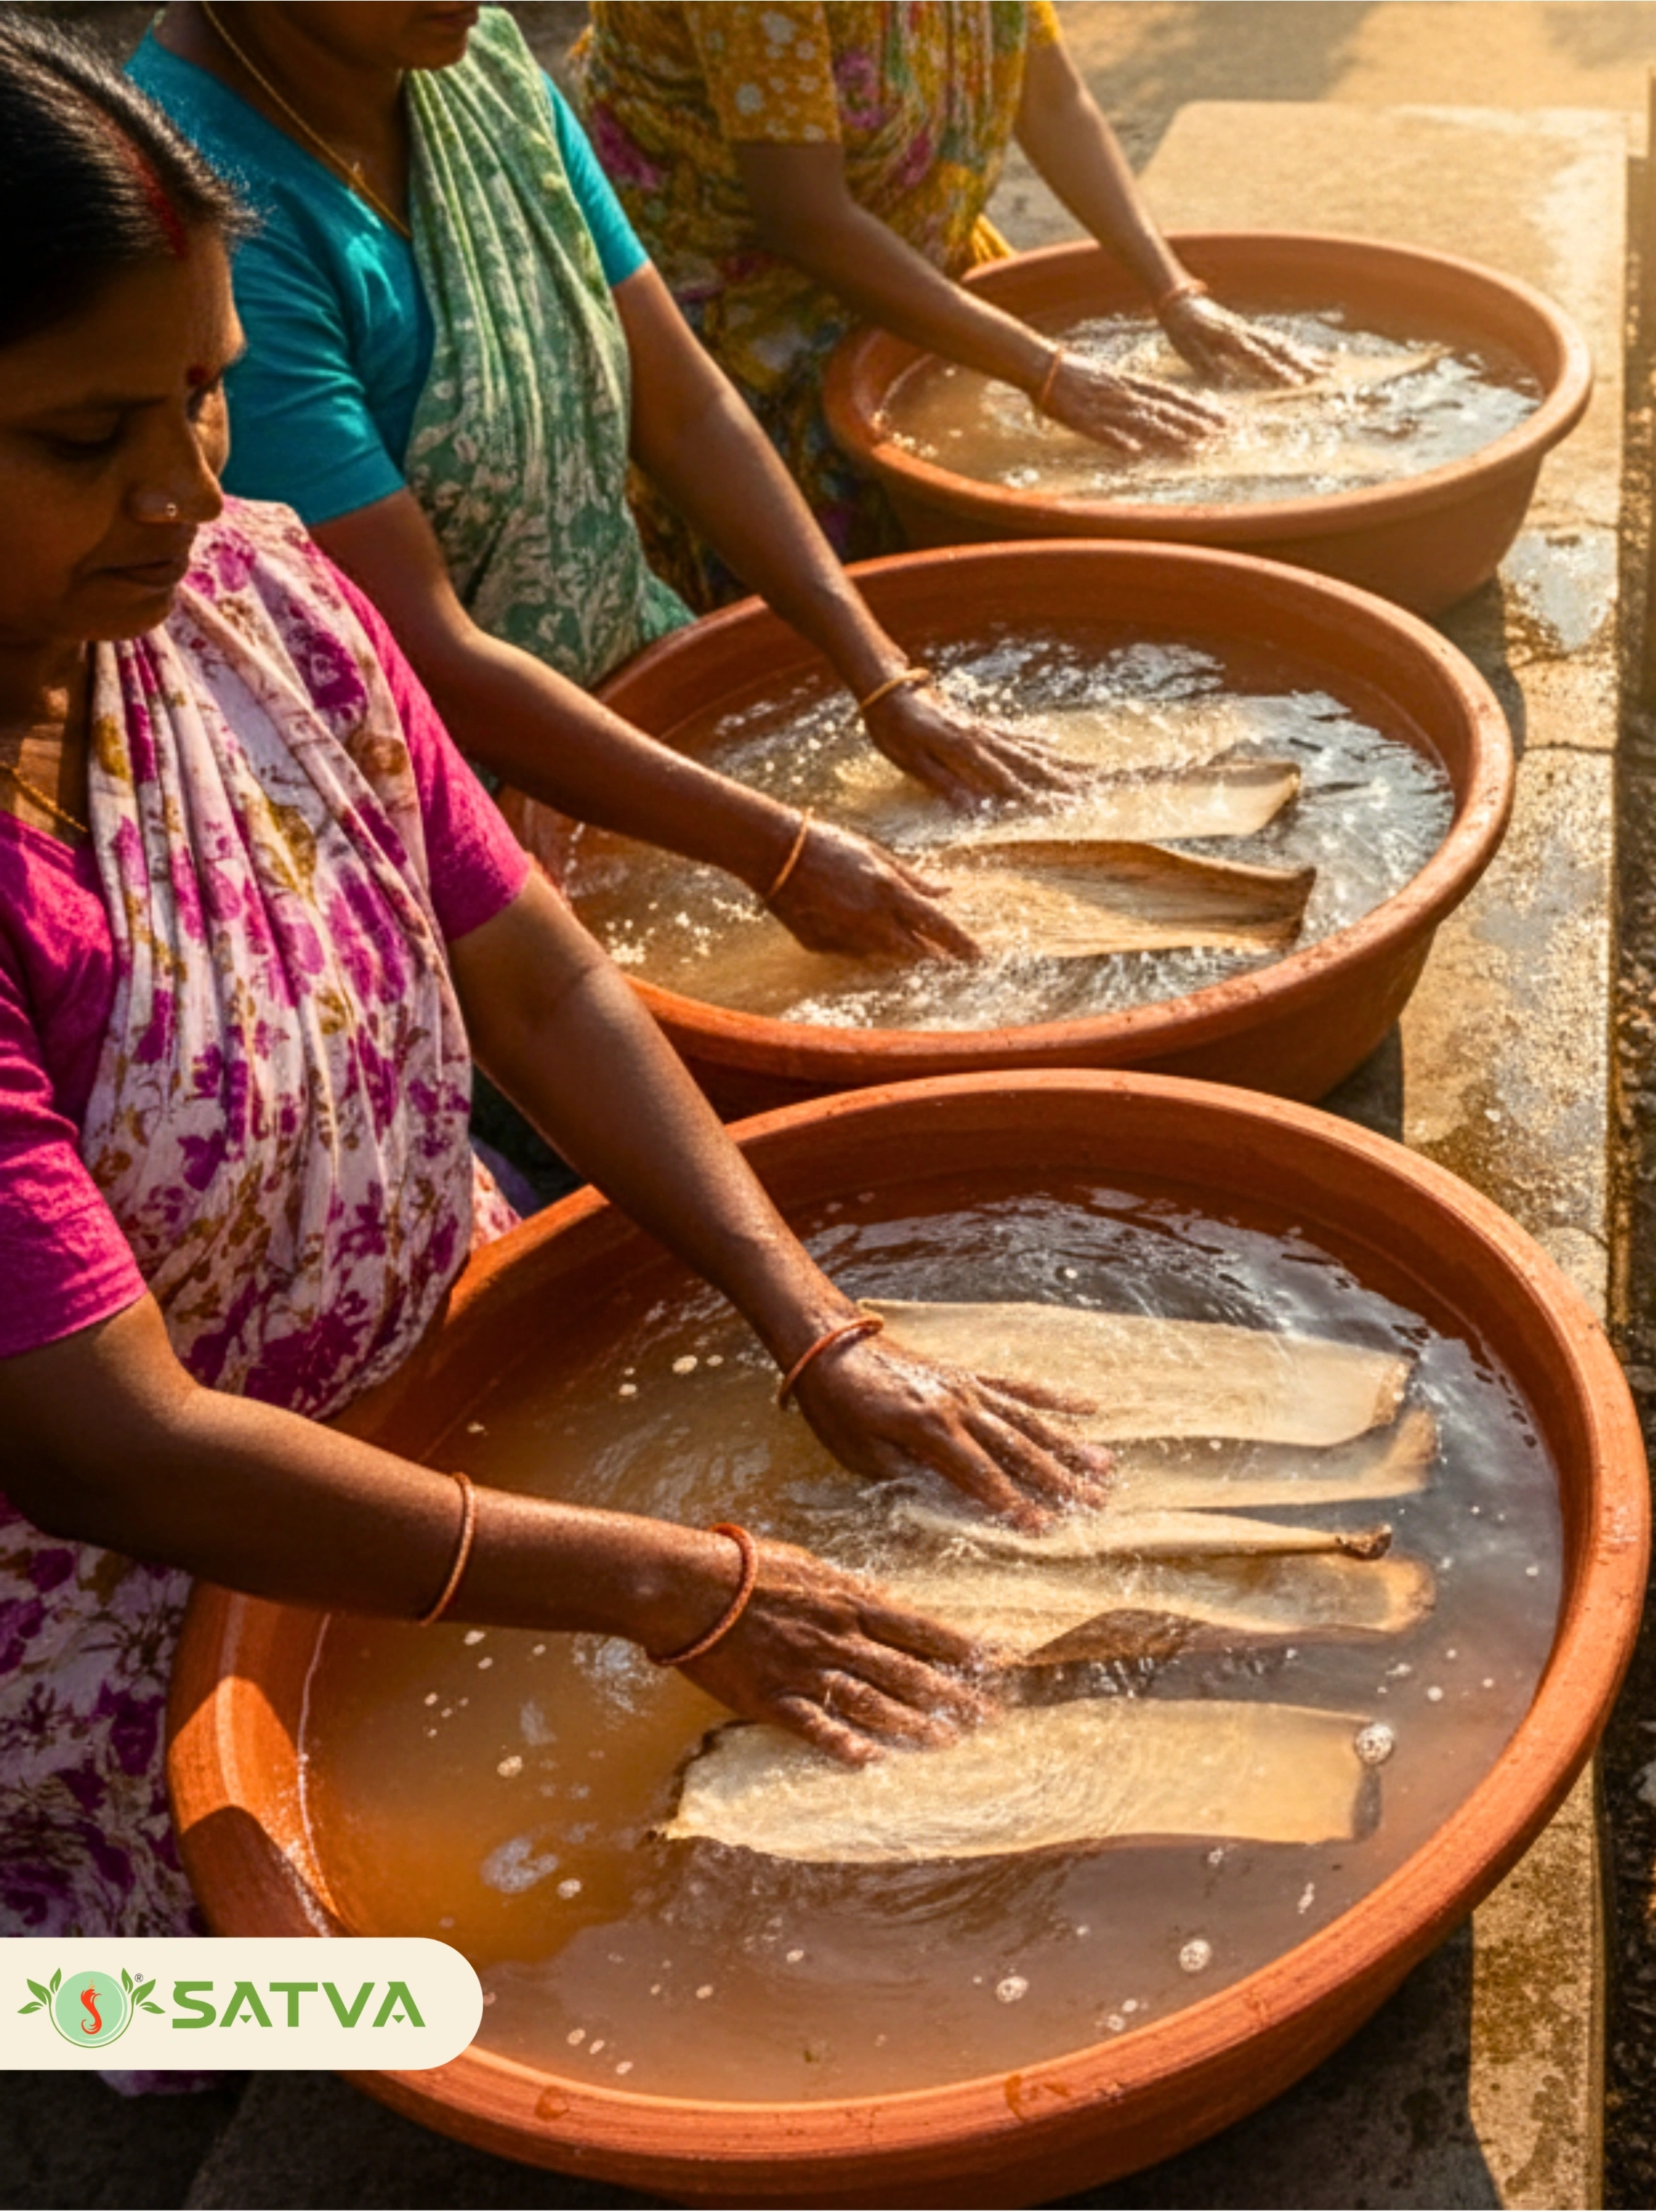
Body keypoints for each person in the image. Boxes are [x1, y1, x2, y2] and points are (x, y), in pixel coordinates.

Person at [0, 18, 1105, 1961]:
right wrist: (671, 1584)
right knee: (392, 2011)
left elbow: (532, 973)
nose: (181, 486)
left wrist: (812, 1320)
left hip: (469, 1421)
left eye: (205, 396)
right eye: (88, 439)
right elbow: (115, 1443)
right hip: (127, 1648)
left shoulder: (260, 602)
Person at [131, 3, 1063, 966]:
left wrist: (878, 671)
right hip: (414, 826)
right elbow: (424, 654)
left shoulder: (481, 67)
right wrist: (776, 851)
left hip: (630, 684)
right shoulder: (202, 208)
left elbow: (685, 406)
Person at [576, 0, 1319, 561]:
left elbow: (1051, 97)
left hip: (917, 258)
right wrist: (1047, 369)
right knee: (831, 596)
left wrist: (1173, 290)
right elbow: (806, 220)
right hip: (742, 328)